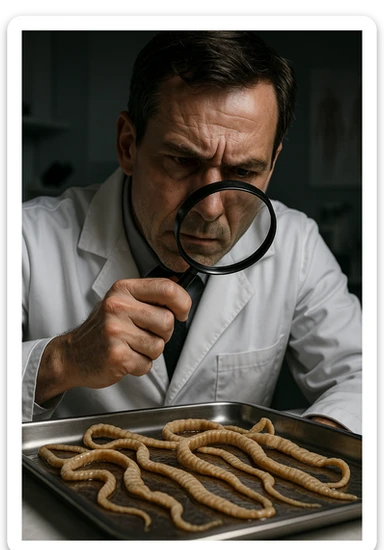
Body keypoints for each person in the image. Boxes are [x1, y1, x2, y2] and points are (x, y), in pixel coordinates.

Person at [22, 31, 362, 434]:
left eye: (244, 172)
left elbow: (361, 377)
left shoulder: (297, 245)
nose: (210, 208)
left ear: (272, 164)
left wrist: (306, 446)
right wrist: (63, 360)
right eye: (182, 161)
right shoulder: (27, 238)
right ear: (128, 145)